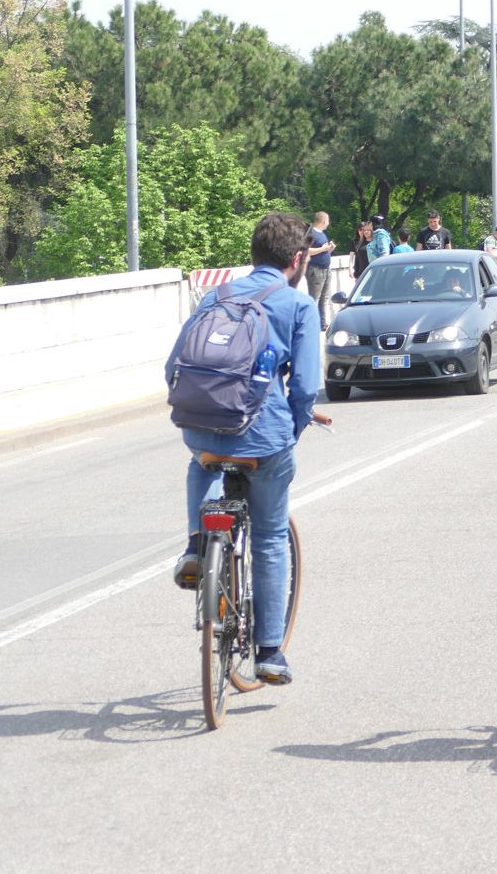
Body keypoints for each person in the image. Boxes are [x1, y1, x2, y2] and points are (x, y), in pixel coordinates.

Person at [167, 213, 324, 687]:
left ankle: (197, 544)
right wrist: (293, 429)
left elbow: (176, 364)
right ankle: (270, 653)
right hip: (264, 436)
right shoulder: (298, 306)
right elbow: (305, 389)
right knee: (272, 535)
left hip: (204, 428)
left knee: (202, 461)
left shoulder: (215, 296)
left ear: (253, 253)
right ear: (297, 260)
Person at [304, 212, 336, 328]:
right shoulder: (311, 233)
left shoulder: (322, 234)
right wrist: (323, 249)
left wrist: (329, 249)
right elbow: (306, 250)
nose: (328, 223)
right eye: (327, 221)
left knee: (324, 298)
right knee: (315, 298)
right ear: (323, 221)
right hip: (316, 270)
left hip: (326, 269)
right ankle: (311, 324)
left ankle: (322, 323)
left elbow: (323, 252)